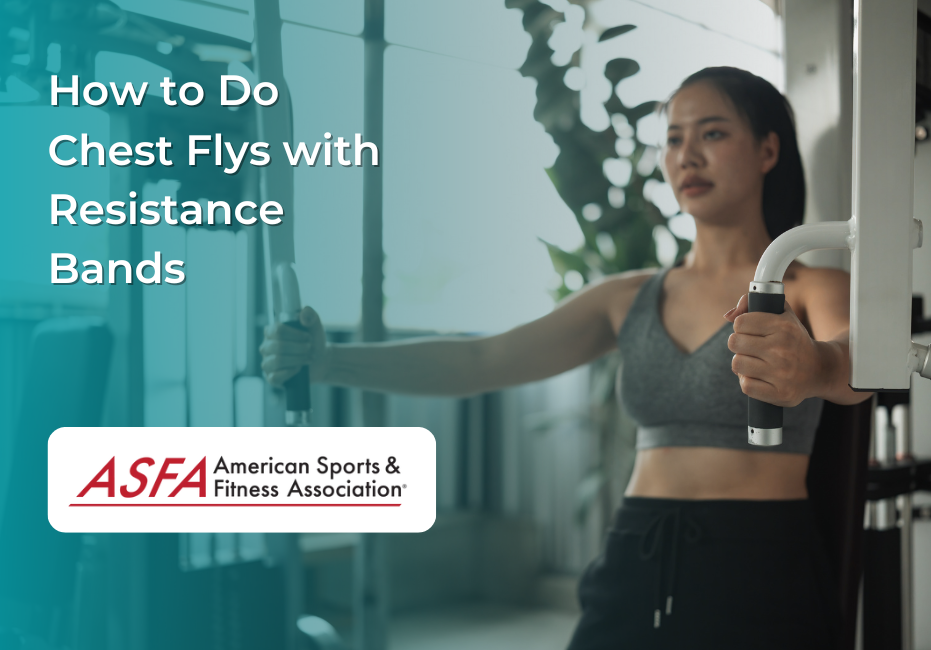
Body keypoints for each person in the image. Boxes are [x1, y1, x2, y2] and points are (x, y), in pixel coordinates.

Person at [260, 66, 870, 649]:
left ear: (768, 151)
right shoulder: (626, 298)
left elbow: (857, 364)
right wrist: (330, 363)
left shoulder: (811, 288)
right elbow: (484, 362)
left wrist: (814, 367)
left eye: (713, 133)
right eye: (674, 138)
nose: (687, 155)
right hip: (637, 553)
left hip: (762, 560)